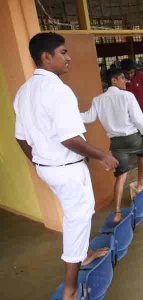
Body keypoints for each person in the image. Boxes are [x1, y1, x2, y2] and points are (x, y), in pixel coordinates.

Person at [13, 32, 118, 300]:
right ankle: (70, 288)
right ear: (46, 57)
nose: (68, 57)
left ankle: (86, 254)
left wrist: (40, 162)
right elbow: (69, 138)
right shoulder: (58, 91)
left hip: (49, 168)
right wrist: (102, 156)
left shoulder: (24, 91)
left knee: (77, 214)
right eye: (63, 52)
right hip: (67, 169)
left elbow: (21, 137)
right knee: (77, 220)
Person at [81, 68, 143, 223]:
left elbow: (88, 117)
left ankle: (117, 213)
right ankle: (140, 184)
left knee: (121, 175)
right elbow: (138, 119)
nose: (125, 81)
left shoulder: (98, 100)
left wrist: (70, 115)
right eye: (122, 78)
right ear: (113, 80)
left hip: (116, 143)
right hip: (132, 137)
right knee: (142, 154)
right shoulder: (127, 96)